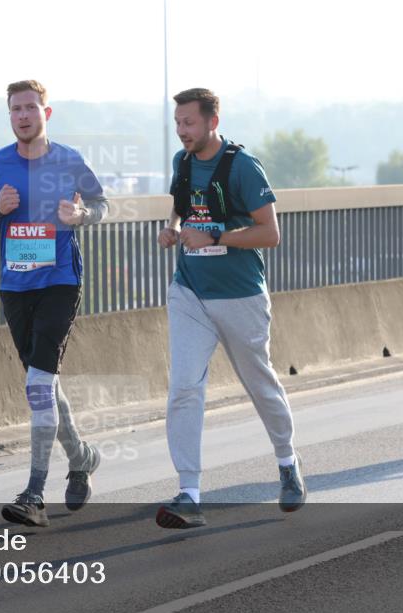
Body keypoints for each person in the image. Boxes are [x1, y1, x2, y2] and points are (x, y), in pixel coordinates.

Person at [155, 87, 306, 529]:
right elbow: (182, 212)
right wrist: (172, 231)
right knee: (184, 387)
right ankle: (189, 493)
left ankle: (286, 461)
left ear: (212, 122)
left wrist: (216, 237)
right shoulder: (181, 164)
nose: (182, 131)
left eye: (190, 123)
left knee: (260, 383)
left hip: (240, 294)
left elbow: (270, 234)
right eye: (178, 123)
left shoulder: (242, 167)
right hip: (190, 292)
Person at [0, 80, 107, 527]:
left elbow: (101, 204)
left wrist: (81, 216)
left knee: (38, 385)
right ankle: (82, 457)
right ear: (9, 116)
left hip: (60, 282)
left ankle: (34, 494)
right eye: (15, 110)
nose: (23, 115)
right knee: (45, 384)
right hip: (16, 288)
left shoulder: (68, 160)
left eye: (30, 108)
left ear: (47, 112)